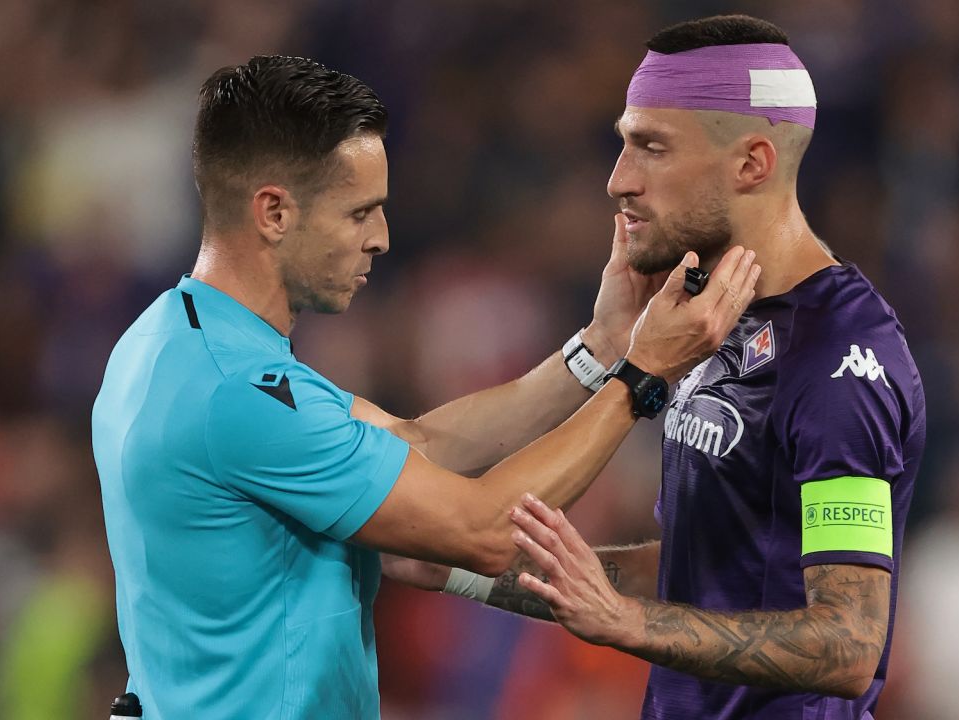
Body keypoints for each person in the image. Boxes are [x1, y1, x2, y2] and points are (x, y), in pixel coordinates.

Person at [90, 55, 761, 719]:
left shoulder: (172, 341)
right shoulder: (237, 392)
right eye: (359, 213)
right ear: (274, 213)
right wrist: (642, 375)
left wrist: (600, 349)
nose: (381, 238)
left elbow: (417, 443)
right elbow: (488, 529)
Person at [387, 15, 926, 720]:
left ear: (752, 164)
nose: (618, 181)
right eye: (624, 146)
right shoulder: (706, 320)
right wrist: (461, 569)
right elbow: (695, 571)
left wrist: (626, 623)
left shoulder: (840, 361)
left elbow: (849, 644)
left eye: (651, 148)